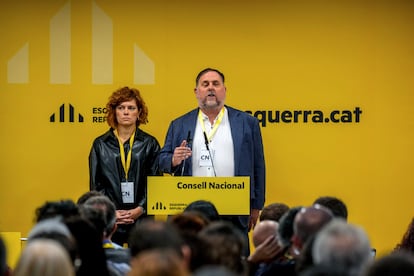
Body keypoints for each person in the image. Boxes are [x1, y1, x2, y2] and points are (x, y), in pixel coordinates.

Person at [159, 68, 266, 255]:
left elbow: (258, 165)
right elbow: (162, 160)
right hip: (191, 209)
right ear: (196, 91)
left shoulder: (247, 123)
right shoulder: (179, 124)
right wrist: (173, 160)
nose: (211, 88)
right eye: (205, 84)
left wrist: (256, 205)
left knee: (234, 260)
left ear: (224, 89)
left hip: (234, 206)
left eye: (216, 84)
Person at [89, 86, 162, 245]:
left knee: (143, 265)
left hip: (142, 218)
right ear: (114, 112)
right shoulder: (100, 144)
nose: (126, 112)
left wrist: (140, 208)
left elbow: (156, 183)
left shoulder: (150, 143)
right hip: (111, 219)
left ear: (139, 112)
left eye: (131, 108)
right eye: (121, 108)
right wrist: (110, 212)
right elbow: (96, 185)